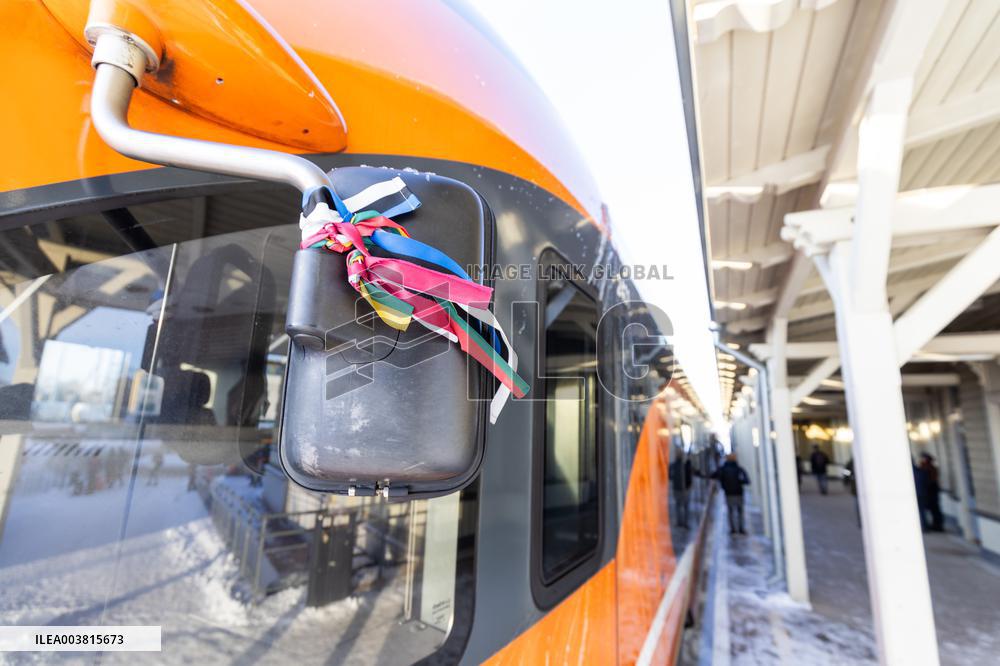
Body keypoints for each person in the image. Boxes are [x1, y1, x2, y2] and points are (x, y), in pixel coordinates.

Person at [712, 453, 750, 535]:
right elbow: (747, 481)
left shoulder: (723, 469)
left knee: (730, 511)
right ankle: (741, 528)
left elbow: (714, 475)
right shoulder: (739, 469)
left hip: (728, 493)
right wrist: (739, 482)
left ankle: (733, 529)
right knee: (740, 511)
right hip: (738, 493)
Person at [920, 453, 944, 532]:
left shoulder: (930, 468)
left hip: (931, 490)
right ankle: (936, 525)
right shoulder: (926, 467)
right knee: (933, 509)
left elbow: (930, 479)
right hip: (929, 490)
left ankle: (937, 525)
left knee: (934, 509)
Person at [670, 452, 693, 529]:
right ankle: (685, 523)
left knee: (678, 505)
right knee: (685, 506)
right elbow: (689, 476)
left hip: (677, 489)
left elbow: (670, 476)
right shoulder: (684, 466)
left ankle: (680, 522)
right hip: (684, 489)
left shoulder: (673, 466)